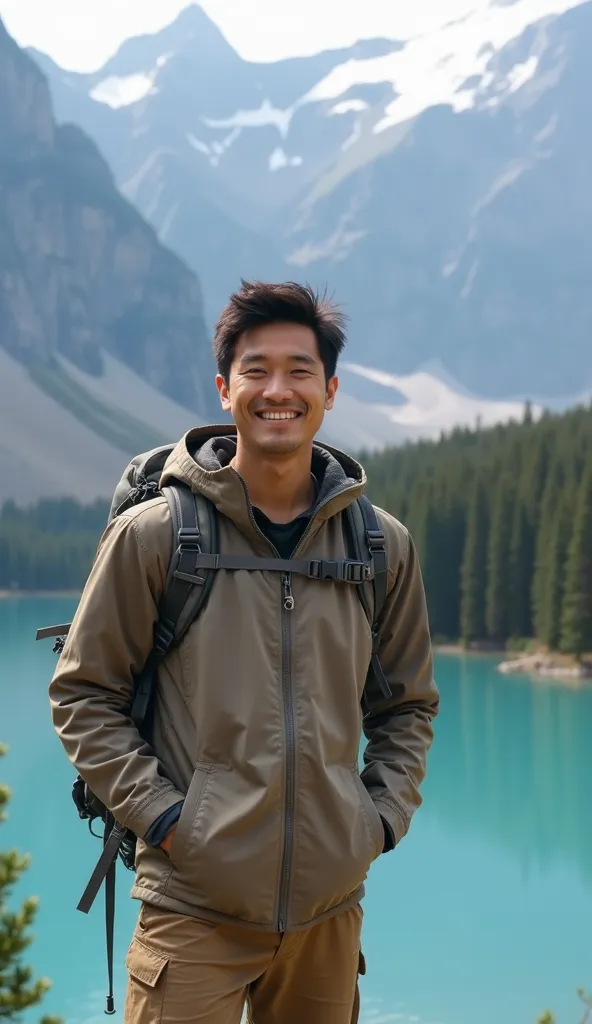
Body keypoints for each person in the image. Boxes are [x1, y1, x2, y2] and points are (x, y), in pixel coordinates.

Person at [48, 281, 439, 1024]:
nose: (278, 390)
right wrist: (167, 822)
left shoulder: (380, 545)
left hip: (329, 914)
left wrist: (378, 818)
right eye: (256, 370)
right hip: (192, 909)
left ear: (331, 389)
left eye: (299, 370)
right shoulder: (158, 536)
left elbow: (408, 704)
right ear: (225, 388)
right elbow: (82, 695)